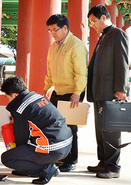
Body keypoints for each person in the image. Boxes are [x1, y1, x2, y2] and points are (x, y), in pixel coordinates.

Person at [1, 76, 73, 184]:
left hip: (53, 148)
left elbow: (21, 139)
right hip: (66, 144)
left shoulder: (21, 108)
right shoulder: (36, 97)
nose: (8, 101)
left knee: (7, 158)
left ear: (15, 95)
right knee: (23, 151)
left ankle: (46, 169)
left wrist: (16, 154)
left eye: (8, 97)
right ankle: (28, 170)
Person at [86, 4, 129, 178]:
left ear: (103, 17)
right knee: (100, 129)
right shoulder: (102, 37)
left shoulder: (118, 34)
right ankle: (103, 162)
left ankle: (113, 167)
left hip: (110, 90)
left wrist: (120, 89)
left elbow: (122, 63)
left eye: (93, 21)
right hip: (98, 91)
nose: (92, 25)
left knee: (111, 130)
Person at [42, 14, 88, 172]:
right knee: (55, 127)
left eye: (55, 29)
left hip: (72, 92)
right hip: (57, 90)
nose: (53, 33)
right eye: (50, 30)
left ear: (65, 28)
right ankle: (59, 158)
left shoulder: (76, 45)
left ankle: (71, 160)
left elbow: (81, 72)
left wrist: (77, 92)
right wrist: (46, 88)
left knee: (70, 128)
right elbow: (50, 70)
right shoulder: (53, 46)